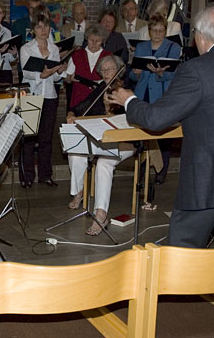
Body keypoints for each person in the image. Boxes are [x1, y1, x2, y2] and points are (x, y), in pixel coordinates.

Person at [109, 3, 214, 248]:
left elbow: (157, 119)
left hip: (210, 181)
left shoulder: (197, 69)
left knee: (184, 251)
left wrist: (129, 100)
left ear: (201, 36)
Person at [66, 55, 134, 235]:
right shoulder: (100, 89)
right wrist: (72, 114)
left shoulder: (126, 90)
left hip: (124, 142)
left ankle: (100, 214)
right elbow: (81, 107)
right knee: (76, 151)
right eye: (103, 70)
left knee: (103, 163)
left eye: (110, 69)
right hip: (101, 140)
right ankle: (79, 191)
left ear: (119, 70)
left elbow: (129, 118)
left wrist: (109, 108)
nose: (106, 73)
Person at [129, 15, 181, 184]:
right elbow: (133, 73)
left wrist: (161, 74)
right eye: (154, 30)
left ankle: (161, 171)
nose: (157, 33)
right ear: (149, 31)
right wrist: (135, 73)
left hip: (162, 94)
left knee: (163, 135)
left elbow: (174, 73)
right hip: (143, 93)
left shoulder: (173, 47)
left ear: (165, 31)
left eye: (161, 30)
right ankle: (142, 171)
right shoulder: (142, 46)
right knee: (143, 135)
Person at [19, 12, 67, 188]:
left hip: (50, 96)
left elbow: (54, 79)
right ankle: (27, 177)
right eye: (39, 26)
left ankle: (45, 175)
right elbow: (26, 73)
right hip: (32, 95)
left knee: (47, 138)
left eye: (46, 26)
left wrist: (59, 71)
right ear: (33, 30)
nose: (43, 30)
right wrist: (42, 74)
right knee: (29, 137)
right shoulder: (26, 48)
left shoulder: (54, 49)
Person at [65, 24, 111, 110]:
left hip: (99, 99)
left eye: (97, 41)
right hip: (79, 98)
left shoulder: (108, 56)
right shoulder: (76, 55)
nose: (94, 43)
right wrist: (70, 78)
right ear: (87, 39)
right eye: (91, 40)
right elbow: (67, 80)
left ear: (102, 41)